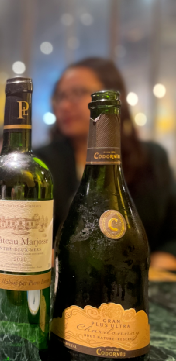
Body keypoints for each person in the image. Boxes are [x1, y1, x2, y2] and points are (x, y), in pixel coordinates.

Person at [35, 57, 176, 270]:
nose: (64, 105)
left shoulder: (152, 158)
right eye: (60, 96)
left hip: (138, 282)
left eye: (79, 93)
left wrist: (162, 261)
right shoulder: (40, 163)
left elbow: (172, 234)